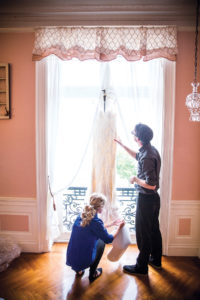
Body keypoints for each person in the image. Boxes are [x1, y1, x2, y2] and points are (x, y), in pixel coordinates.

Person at [114, 123, 162, 276]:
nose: (132, 135)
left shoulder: (148, 155)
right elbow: (137, 156)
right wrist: (122, 145)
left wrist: (135, 179)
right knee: (154, 231)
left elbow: (151, 185)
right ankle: (155, 260)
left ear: (138, 137)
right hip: (153, 200)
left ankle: (141, 267)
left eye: (133, 133)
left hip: (146, 199)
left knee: (143, 234)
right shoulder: (149, 150)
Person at [66, 192, 125, 282]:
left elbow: (93, 228)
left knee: (83, 244)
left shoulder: (81, 215)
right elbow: (108, 239)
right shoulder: (96, 222)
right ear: (100, 207)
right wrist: (119, 228)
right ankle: (93, 273)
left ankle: (78, 271)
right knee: (101, 242)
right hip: (84, 260)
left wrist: (110, 224)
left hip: (71, 257)